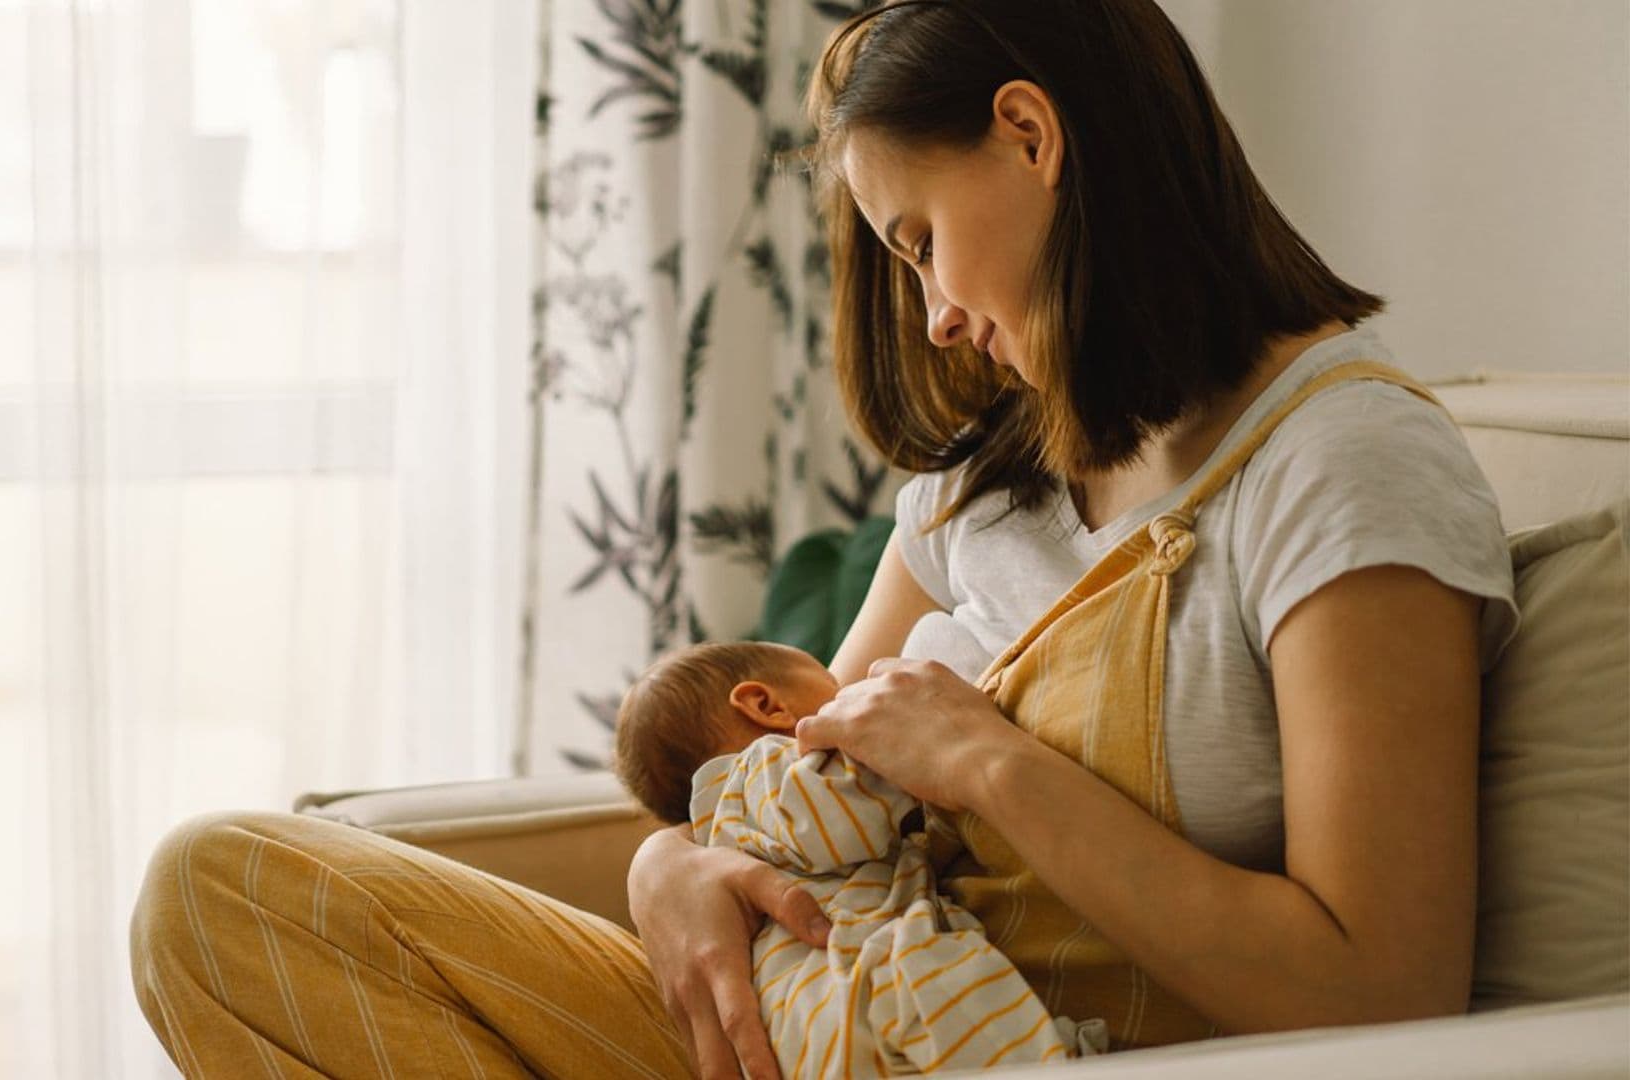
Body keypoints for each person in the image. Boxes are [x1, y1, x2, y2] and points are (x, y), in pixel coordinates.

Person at [127, 2, 1517, 1077]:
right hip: (827, 1026)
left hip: (1018, 1047)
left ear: (1032, 137)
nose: (934, 319)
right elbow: (793, 792)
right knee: (221, 894)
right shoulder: (996, 483)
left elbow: (1382, 987)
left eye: (919, 243)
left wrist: (993, 764)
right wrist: (666, 868)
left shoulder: (1342, 464)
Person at [612, 639, 1098, 1074]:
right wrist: (913, 745)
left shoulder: (728, 826)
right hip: (862, 978)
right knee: (961, 1013)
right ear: (765, 705)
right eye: (836, 684)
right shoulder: (762, 771)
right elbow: (838, 818)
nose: (854, 694)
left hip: (813, 1015)